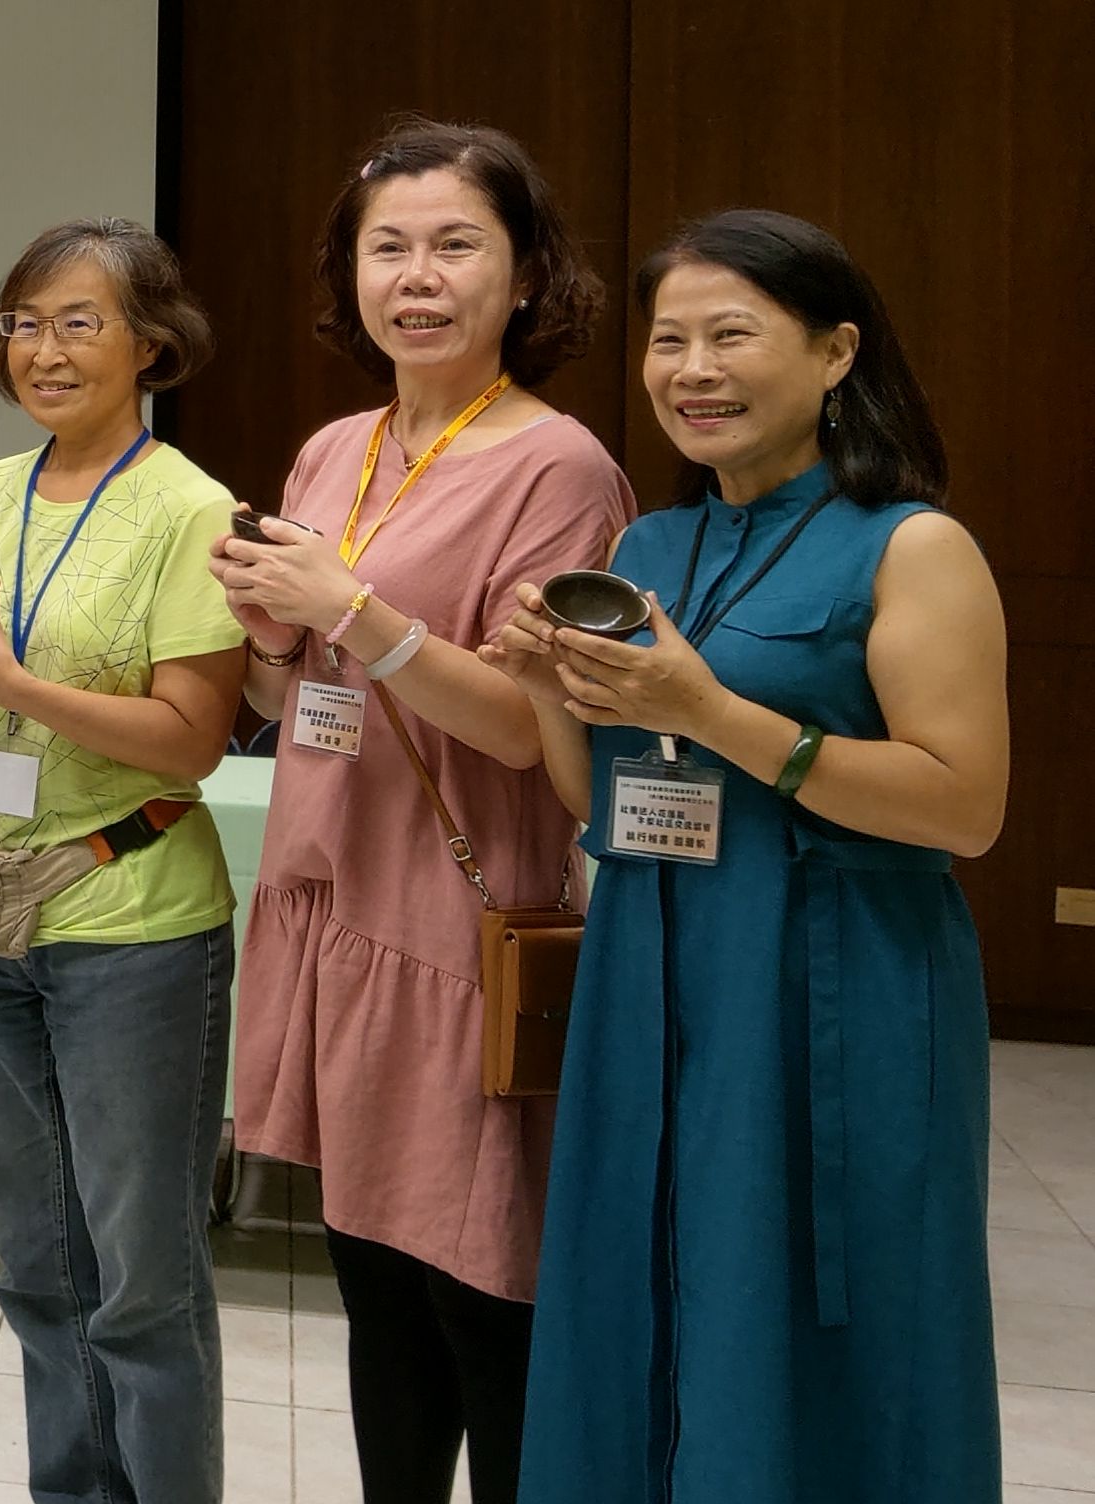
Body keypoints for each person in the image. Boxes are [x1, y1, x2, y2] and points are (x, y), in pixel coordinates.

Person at [486, 209, 1003, 1502]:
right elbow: (603, 801)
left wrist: (708, 711)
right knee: (636, 1289)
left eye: (731, 335)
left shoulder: (909, 545)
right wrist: (547, 687)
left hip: (835, 986)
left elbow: (964, 807)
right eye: (668, 342)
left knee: (822, 1310)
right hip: (645, 976)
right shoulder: (648, 549)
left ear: (836, 352)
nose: (692, 371)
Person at [207, 119, 630, 1501]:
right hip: (332, 902)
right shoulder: (335, 447)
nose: (418, 277)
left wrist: (354, 611)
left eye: (456, 245)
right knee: (370, 1284)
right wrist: (269, 628)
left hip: (456, 923)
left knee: (481, 1291)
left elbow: (529, 724)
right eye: (386, 247)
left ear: (526, 275)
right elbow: (286, 698)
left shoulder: (559, 466)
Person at [0, 219, 241, 1503]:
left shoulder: (192, 509)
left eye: (78, 323)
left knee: (142, 1280)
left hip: (133, 921)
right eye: (23, 324)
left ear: (151, 344)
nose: (44, 350)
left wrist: (5, 670)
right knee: (37, 1267)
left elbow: (192, 740)